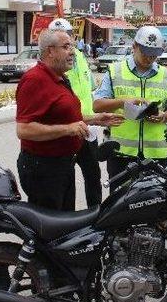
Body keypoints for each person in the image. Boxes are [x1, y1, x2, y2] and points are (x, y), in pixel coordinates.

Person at [15, 29, 123, 211]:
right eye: (66, 47)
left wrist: (95, 119)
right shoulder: (34, 79)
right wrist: (68, 130)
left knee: (65, 224)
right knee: (49, 230)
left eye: (72, 46)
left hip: (62, 164)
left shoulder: (59, 77)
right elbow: (24, 129)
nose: (72, 51)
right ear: (50, 51)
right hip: (43, 169)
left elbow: (64, 117)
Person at [93, 26, 167, 189]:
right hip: (121, 155)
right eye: (145, 52)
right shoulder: (115, 71)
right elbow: (97, 105)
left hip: (157, 157)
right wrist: (124, 101)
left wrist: (163, 117)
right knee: (120, 208)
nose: (149, 58)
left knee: (156, 206)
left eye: (154, 54)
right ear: (134, 46)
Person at [48, 18, 103, 208]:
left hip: (88, 127)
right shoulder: (50, 64)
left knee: (93, 175)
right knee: (66, 181)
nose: (66, 43)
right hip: (67, 130)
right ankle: (69, 222)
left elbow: (89, 88)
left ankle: (96, 215)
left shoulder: (79, 56)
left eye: (68, 37)